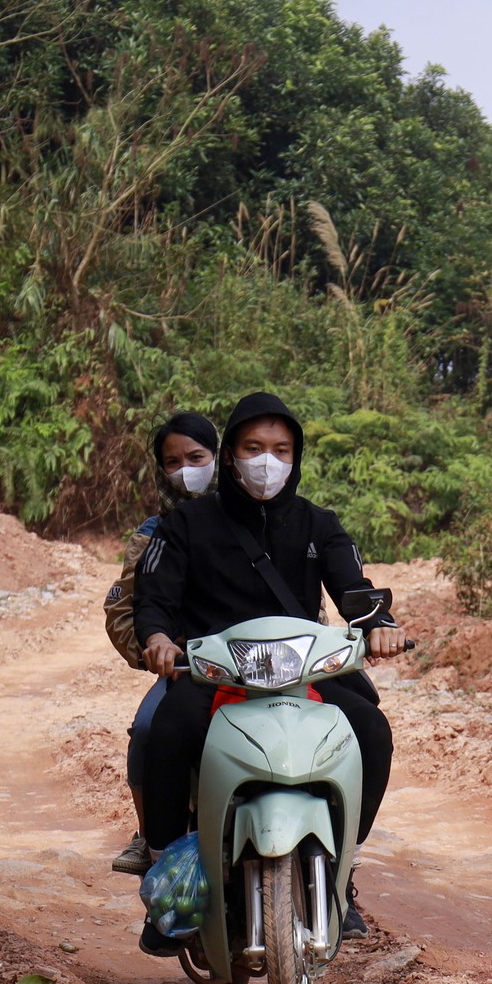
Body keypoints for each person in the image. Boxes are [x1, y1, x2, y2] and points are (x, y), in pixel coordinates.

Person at [129, 391, 401, 954]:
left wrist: (380, 624)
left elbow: (354, 587)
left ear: (296, 456)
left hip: (303, 672)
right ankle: (167, 883)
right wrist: (156, 637)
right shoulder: (185, 523)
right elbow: (154, 596)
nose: (267, 461)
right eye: (254, 447)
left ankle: (342, 867)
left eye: (281, 449)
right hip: (214, 677)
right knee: (163, 732)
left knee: (371, 731)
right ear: (229, 454)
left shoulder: (318, 524)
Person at [111, 411, 221, 876]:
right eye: (172, 461)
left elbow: (305, 604)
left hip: (268, 666)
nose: (185, 470)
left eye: (196, 457)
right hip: (189, 668)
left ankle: (339, 870)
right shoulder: (153, 534)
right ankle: (152, 841)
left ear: (220, 458)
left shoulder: (260, 521)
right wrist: (155, 649)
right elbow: (123, 609)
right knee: (150, 730)